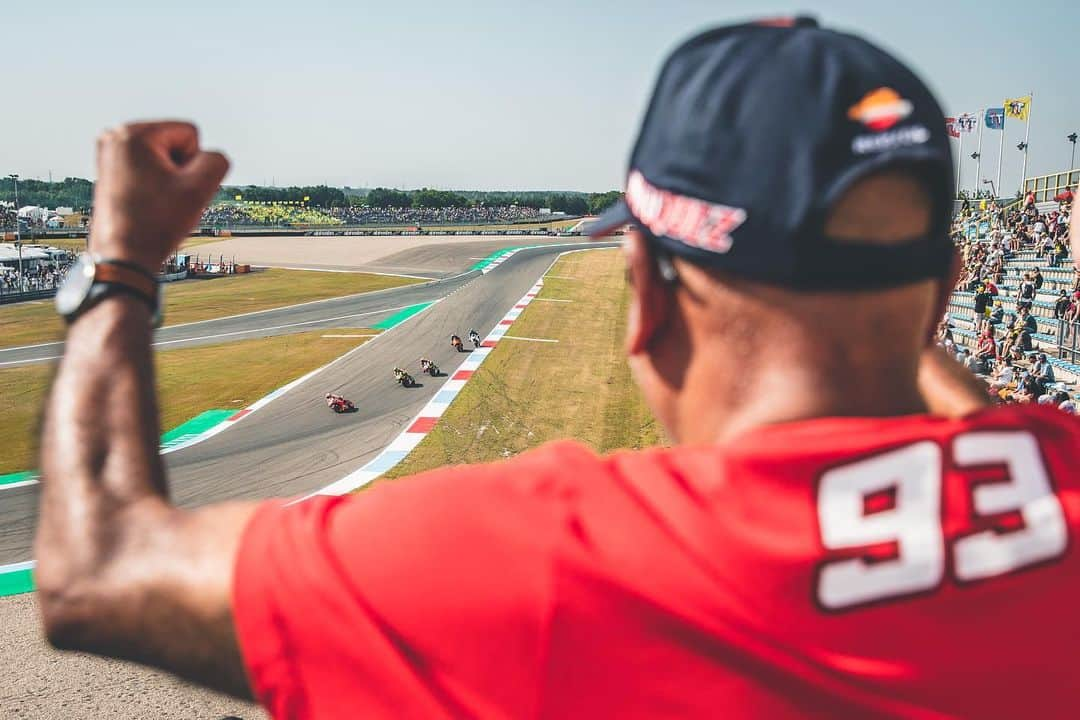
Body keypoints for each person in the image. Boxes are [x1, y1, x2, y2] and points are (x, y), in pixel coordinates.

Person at [34, 20, 1080, 720]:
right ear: (943, 292)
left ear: (650, 294)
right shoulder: (1057, 471)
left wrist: (118, 262)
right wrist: (887, 311)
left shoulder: (564, 559)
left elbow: (97, 571)